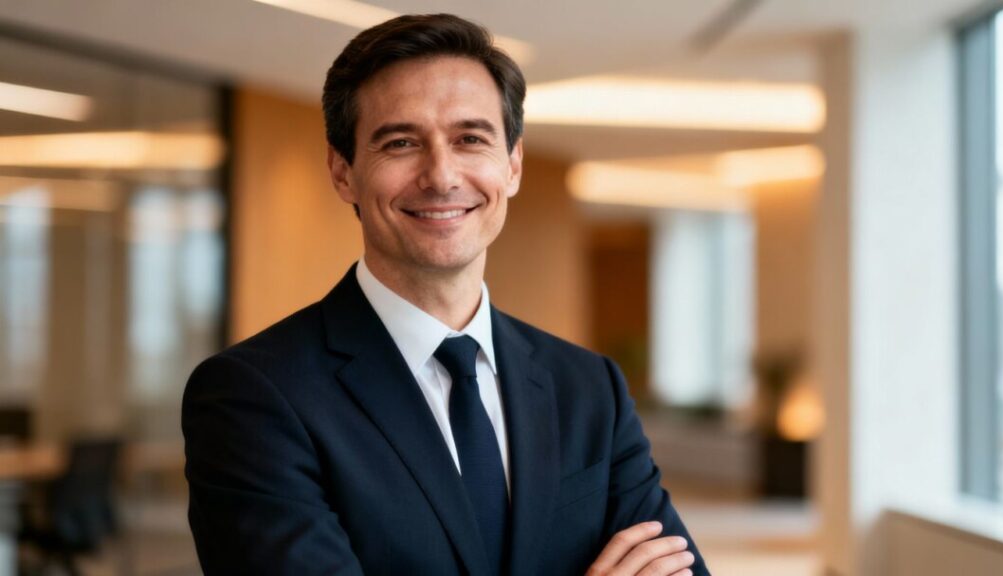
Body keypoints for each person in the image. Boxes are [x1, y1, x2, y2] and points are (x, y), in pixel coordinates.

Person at [183, 13, 711, 576]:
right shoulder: (254, 396)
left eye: (470, 139)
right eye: (401, 142)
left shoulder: (588, 389)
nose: (441, 176)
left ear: (511, 166)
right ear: (343, 172)